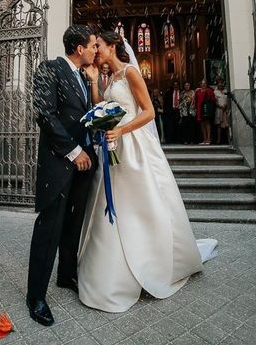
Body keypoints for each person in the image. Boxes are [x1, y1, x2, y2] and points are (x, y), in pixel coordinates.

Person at [80, 30, 211, 314]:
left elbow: (149, 112)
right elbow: (103, 106)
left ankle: (152, 257)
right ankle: (111, 265)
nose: (96, 49)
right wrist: (93, 84)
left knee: (141, 201)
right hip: (115, 143)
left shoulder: (129, 73)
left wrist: (121, 129)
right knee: (115, 200)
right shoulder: (111, 78)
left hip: (135, 144)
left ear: (113, 45)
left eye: (99, 45)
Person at [26, 25, 98, 326]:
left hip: (85, 162)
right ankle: (36, 296)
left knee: (74, 222)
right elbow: (44, 113)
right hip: (60, 161)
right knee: (50, 227)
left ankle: (66, 274)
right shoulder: (50, 68)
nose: (97, 49)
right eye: (93, 45)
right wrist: (73, 151)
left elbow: (86, 115)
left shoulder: (84, 76)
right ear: (79, 48)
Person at [195, 79, 216, 145]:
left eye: (204, 83)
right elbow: (196, 100)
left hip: (206, 108)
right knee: (202, 124)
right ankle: (204, 139)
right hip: (199, 109)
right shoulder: (198, 91)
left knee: (207, 123)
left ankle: (208, 139)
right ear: (200, 84)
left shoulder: (209, 91)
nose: (203, 85)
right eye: (202, 83)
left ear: (206, 84)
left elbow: (213, 99)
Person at [214, 77, 229, 144]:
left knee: (227, 125)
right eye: (219, 83)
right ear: (217, 84)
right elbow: (215, 101)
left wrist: (225, 106)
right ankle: (219, 140)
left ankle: (228, 139)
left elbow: (228, 100)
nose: (220, 85)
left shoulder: (226, 91)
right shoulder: (215, 92)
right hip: (219, 109)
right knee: (219, 125)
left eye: (221, 83)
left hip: (226, 109)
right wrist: (220, 106)